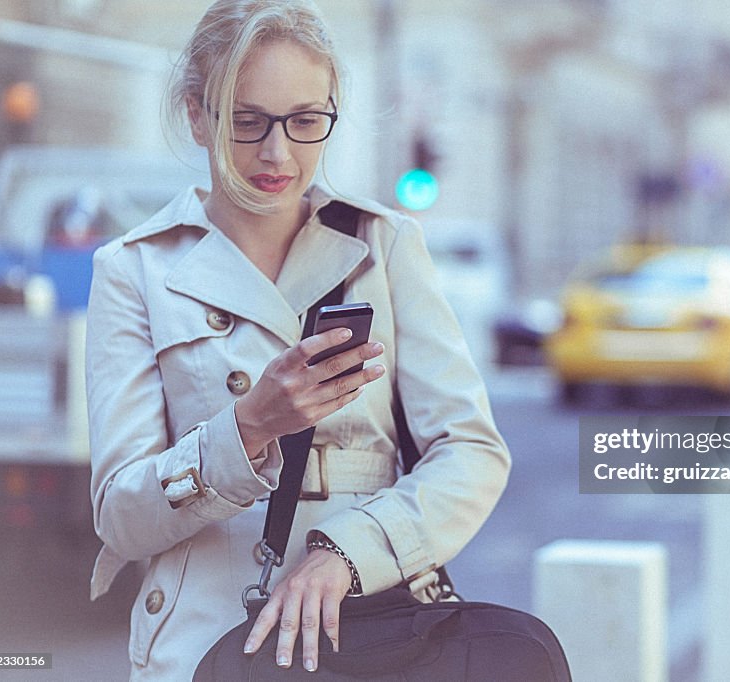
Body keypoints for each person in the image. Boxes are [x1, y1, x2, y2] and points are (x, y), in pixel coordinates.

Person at [85, 1, 510, 678]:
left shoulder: (383, 246)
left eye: (307, 122)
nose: (278, 153)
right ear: (198, 115)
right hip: (209, 637)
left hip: (374, 625)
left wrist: (346, 553)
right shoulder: (135, 268)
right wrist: (249, 426)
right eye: (247, 122)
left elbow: (472, 453)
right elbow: (122, 519)